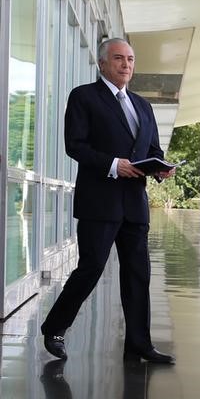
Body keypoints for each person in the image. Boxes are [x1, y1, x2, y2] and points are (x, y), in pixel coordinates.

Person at [41, 38, 175, 364]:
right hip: (99, 201)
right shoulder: (84, 97)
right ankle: (54, 328)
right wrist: (115, 165)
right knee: (91, 268)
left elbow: (152, 150)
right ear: (103, 63)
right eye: (118, 58)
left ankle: (139, 344)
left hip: (134, 204)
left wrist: (159, 168)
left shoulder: (143, 105)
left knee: (138, 274)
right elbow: (75, 146)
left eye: (130, 59)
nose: (126, 64)